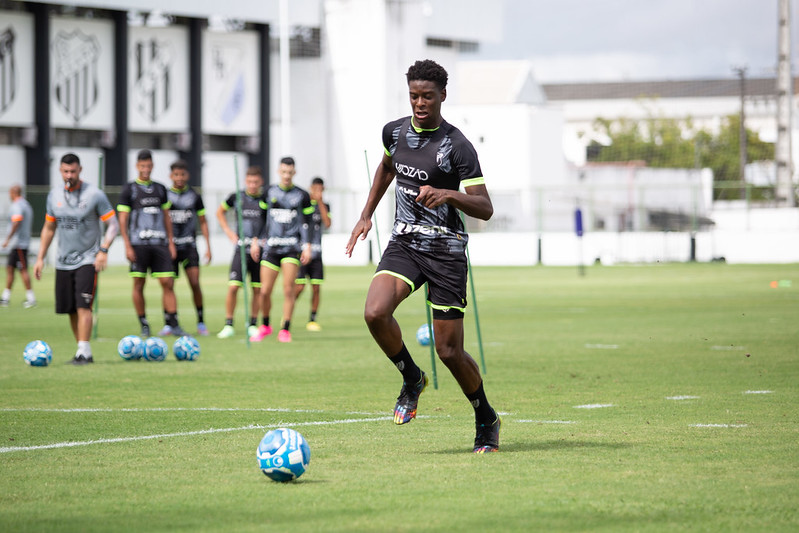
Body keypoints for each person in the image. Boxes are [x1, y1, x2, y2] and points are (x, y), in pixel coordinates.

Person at [345, 59, 500, 453]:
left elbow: (484, 207)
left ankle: (486, 417)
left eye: (427, 96)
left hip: (446, 251)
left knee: (448, 351)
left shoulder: (457, 146)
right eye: (414, 95)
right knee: (374, 313)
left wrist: (447, 193)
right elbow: (385, 168)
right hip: (405, 244)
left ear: (442, 96)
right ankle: (412, 378)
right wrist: (366, 214)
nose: (419, 103)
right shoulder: (394, 132)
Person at [33, 153, 119, 364]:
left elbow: (113, 224)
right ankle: (81, 350)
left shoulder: (94, 195)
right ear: (60, 171)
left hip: (88, 260)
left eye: (73, 171)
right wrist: (40, 257)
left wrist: (104, 250)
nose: (69, 175)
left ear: (80, 170)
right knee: (70, 309)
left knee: (83, 306)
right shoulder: (54, 196)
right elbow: (49, 227)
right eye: (65, 171)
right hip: (63, 261)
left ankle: (85, 351)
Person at [117, 149, 185, 337]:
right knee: (139, 283)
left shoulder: (160, 189)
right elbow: (123, 219)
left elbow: (166, 217)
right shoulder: (129, 189)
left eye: (148, 166)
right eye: (142, 166)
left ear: (152, 166)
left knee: (167, 282)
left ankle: (173, 323)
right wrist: (127, 245)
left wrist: (171, 242)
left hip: (160, 243)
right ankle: (144, 323)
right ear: (137, 166)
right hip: (138, 244)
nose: (145, 169)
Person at [249, 157, 313, 343]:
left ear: (294, 173)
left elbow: (308, 222)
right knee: (264, 291)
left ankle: (285, 329)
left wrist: (307, 246)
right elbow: (260, 219)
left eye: (289, 172)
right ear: (278, 171)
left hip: (292, 248)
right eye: (283, 172)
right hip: (271, 248)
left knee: (288, 290)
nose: (286, 175)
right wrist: (255, 241)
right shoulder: (268, 192)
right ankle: (266, 325)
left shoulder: (302, 195)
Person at [216, 165, 267, 339]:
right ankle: (228, 324)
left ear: (261, 182)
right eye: (249, 182)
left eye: (256, 182)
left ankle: (252, 323)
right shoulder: (237, 197)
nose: (252, 185)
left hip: (259, 251)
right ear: (245, 181)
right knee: (233, 287)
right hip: (241, 249)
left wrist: (259, 241)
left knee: (257, 289)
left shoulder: (265, 199)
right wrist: (230, 233)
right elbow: (220, 212)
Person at [167, 159, 212, 336]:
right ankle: (170, 322)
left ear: (187, 175)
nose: (179, 178)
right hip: (170, 248)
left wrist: (208, 246)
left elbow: (203, 221)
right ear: (171, 176)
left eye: (182, 174)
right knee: (168, 285)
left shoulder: (194, 196)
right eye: (176, 174)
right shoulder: (165, 195)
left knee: (194, 283)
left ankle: (201, 322)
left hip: (189, 246)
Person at [294, 177, 331, 331]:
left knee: (316, 287)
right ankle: (288, 311)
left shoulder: (325, 205)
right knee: (300, 286)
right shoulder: (303, 204)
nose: (317, 191)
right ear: (310, 188)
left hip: (317, 252)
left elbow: (327, 224)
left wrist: (320, 202)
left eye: (320, 189)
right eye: (315, 188)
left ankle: (312, 319)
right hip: (302, 251)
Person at [1, 185, 36, 308]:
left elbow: (17, 221)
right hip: (18, 244)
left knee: (23, 270)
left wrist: (8, 239)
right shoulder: (26, 205)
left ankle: (31, 298)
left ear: (13, 193)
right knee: (10, 269)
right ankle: (5, 297)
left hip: (19, 244)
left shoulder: (17, 205)